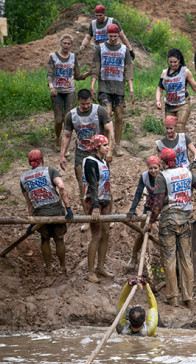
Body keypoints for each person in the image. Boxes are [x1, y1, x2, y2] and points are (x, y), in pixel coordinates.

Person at [147, 148, 196, 307]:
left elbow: (158, 204)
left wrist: (150, 222)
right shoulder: (186, 172)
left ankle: (173, 296)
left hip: (168, 221)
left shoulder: (162, 177)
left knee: (169, 258)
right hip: (185, 220)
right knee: (186, 259)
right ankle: (188, 297)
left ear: (163, 162)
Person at [61, 89, 114, 223]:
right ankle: (88, 218)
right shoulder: (71, 115)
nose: (86, 106)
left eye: (88, 103)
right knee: (83, 186)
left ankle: (108, 217)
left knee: (104, 183)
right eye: (83, 104)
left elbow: (109, 130)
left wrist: (110, 150)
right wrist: (62, 155)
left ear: (91, 100)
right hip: (81, 154)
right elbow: (66, 135)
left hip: (99, 152)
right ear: (78, 101)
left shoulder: (100, 111)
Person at [20, 150, 74, 276]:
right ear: (42, 160)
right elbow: (61, 187)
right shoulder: (51, 171)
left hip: (39, 212)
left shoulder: (23, 178)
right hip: (55, 209)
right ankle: (62, 267)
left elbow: (29, 203)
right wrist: (68, 208)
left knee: (45, 239)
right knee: (59, 239)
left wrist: (31, 220)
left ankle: (48, 268)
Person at [90, 23, 134, 157]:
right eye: (111, 36)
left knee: (120, 116)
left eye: (116, 36)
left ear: (119, 36)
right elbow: (96, 67)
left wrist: (131, 89)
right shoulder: (100, 48)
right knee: (107, 114)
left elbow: (128, 70)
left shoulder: (124, 50)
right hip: (104, 86)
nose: (113, 38)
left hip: (119, 88)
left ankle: (117, 145)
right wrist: (92, 85)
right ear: (106, 35)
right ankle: (105, 144)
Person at [47, 34, 90, 153]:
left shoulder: (73, 57)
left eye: (69, 43)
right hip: (56, 91)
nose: (66, 45)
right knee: (58, 119)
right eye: (64, 43)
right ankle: (57, 138)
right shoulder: (53, 57)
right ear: (61, 43)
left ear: (71, 45)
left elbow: (76, 75)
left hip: (70, 91)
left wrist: (86, 75)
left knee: (68, 118)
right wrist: (51, 87)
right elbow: (49, 75)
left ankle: (65, 145)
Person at [82, 134, 113, 283]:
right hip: (94, 201)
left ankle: (100, 266)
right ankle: (90, 271)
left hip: (105, 200)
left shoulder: (103, 161)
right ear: (97, 147)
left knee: (106, 234)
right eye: (105, 145)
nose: (108, 147)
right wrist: (95, 207)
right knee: (97, 235)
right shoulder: (90, 162)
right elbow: (92, 184)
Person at [156, 48, 196, 134]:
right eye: (171, 62)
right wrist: (158, 100)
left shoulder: (185, 72)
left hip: (183, 103)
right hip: (169, 105)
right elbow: (159, 89)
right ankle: (174, 146)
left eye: (175, 62)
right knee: (170, 129)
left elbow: (195, 86)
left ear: (179, 61)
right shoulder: (164, 73)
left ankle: (182, 145)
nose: (173, 64)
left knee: (179, 127)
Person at [126, 156, 161, 271]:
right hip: (149, 206)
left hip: (162, 206)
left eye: (155, 168)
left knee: (165, 233)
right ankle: (134, 256)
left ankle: (165, 259)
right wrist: (132, 209)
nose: (153, 171)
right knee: (142, 232)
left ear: (159, 167)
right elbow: (138, 193)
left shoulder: (164, 175)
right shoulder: (144, 176)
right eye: (150, 168)